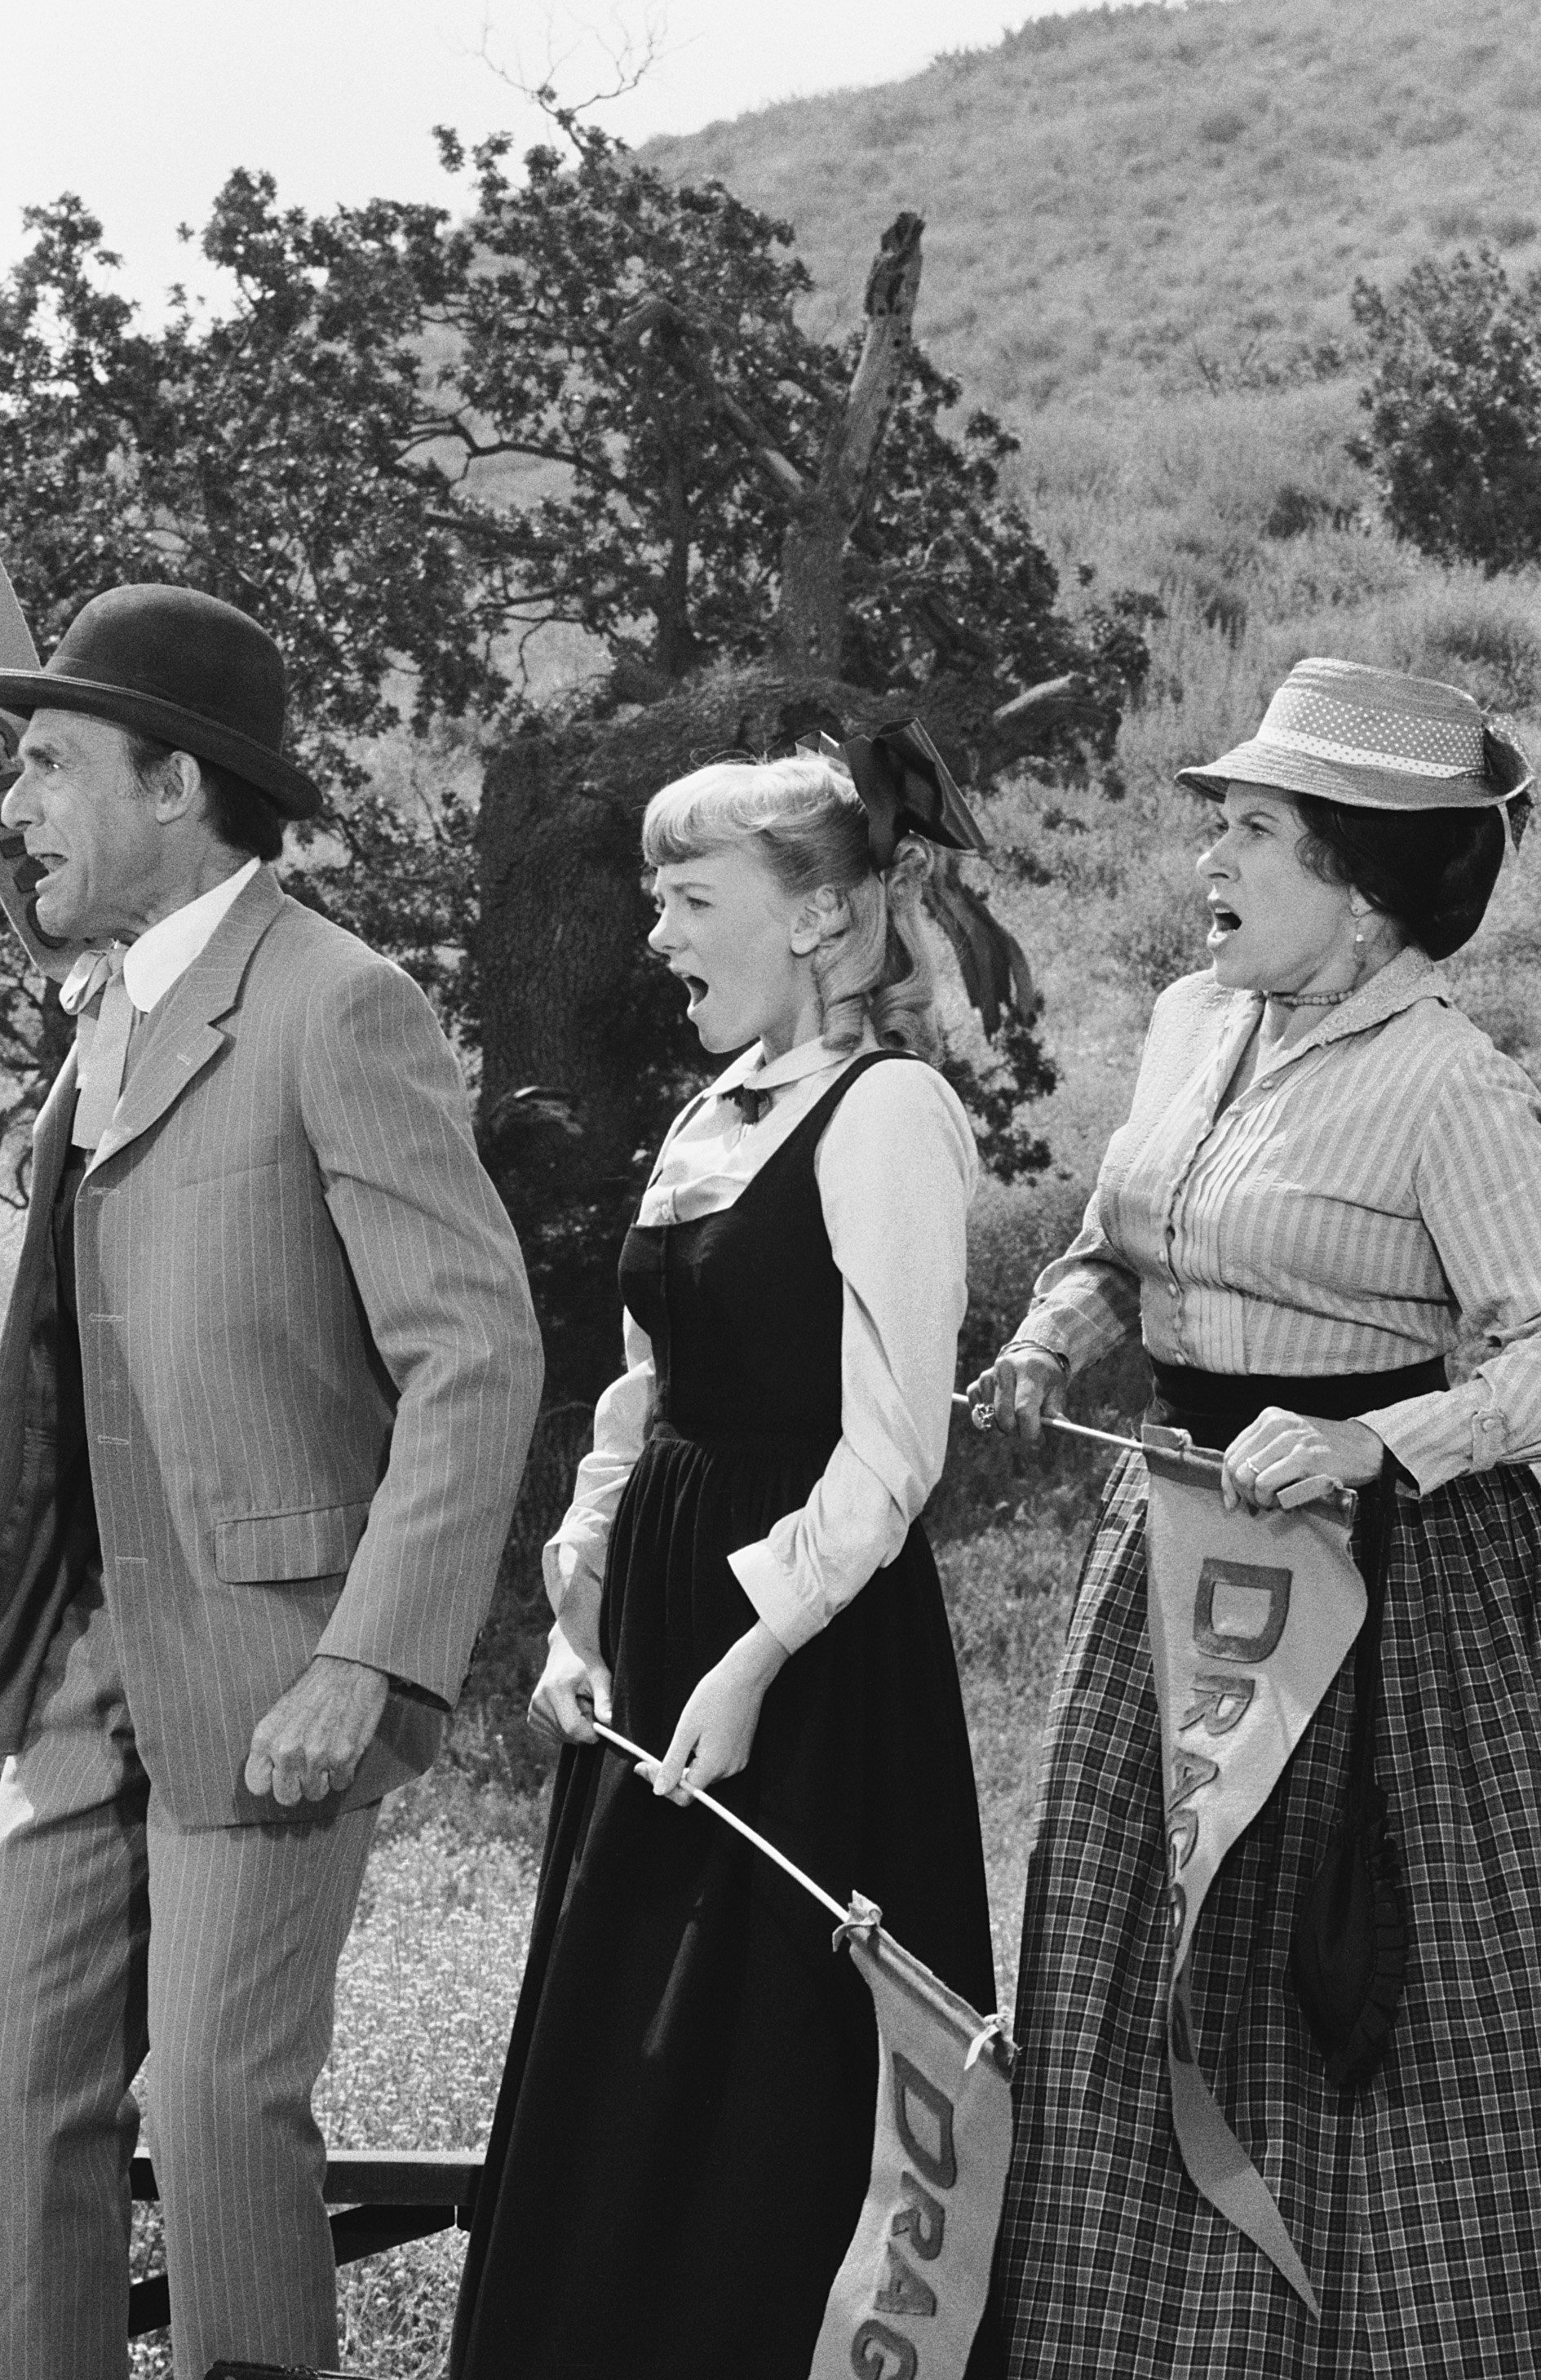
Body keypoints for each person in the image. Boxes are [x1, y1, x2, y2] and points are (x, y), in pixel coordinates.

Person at [970, 659, 1541, 2375]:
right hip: (1184, 1562)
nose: (1209, 857)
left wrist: (1383, 1443)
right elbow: (1128, 1240)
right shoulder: (1198, 1025)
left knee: (1388, 1991)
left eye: (1253, 831)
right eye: (1217, 823)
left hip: (1394, 1590)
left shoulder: (1443, 1084)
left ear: (1355, 883)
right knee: (1144, 1962)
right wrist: (1048, 1333)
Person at [0, 583, 543, 2380]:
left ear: (173, 782)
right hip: (80, 1666)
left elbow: (476, 1354)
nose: (13, 806)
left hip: (270, 1663)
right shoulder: (104, 1025)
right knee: (19, 2103)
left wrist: (371, 1659)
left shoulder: (336, 1006)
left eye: (49, 762)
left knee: (229, 2108)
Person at [451, 736, 997, 2380]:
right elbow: (639, 1392)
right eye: (653, 900)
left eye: (691, 899)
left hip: (806, 1657)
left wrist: (754, 1656)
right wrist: (574, 1600)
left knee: (761, 2066)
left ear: (823, 918)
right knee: (623, 2052)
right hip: (657, 1628)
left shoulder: (888, 1112)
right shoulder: (711, 1109)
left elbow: (895, 1441)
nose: (659, 936)